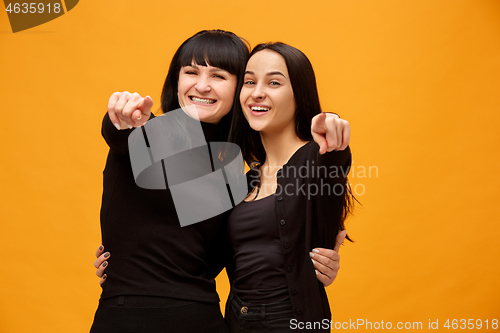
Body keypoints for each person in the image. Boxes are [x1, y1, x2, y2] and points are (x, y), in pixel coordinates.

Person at [91, 30, 350, 332]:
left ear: (239, 89)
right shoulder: (146, 132)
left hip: (203, 317)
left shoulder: (236, 172)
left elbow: (234, 252)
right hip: (126, 318)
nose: (202, 85)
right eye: (191, 72)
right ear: (176, 80)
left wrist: (314, 258)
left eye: (218, 76)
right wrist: (120, 116)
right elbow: (118, 133)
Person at [225, 42, 354, 332]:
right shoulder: (243, 180)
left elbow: (334, 158)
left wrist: (332, 124)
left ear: (299, 92)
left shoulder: (316, 156)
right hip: (235, 320)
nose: (257, 92)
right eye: (249, 82)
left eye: (274, 82)